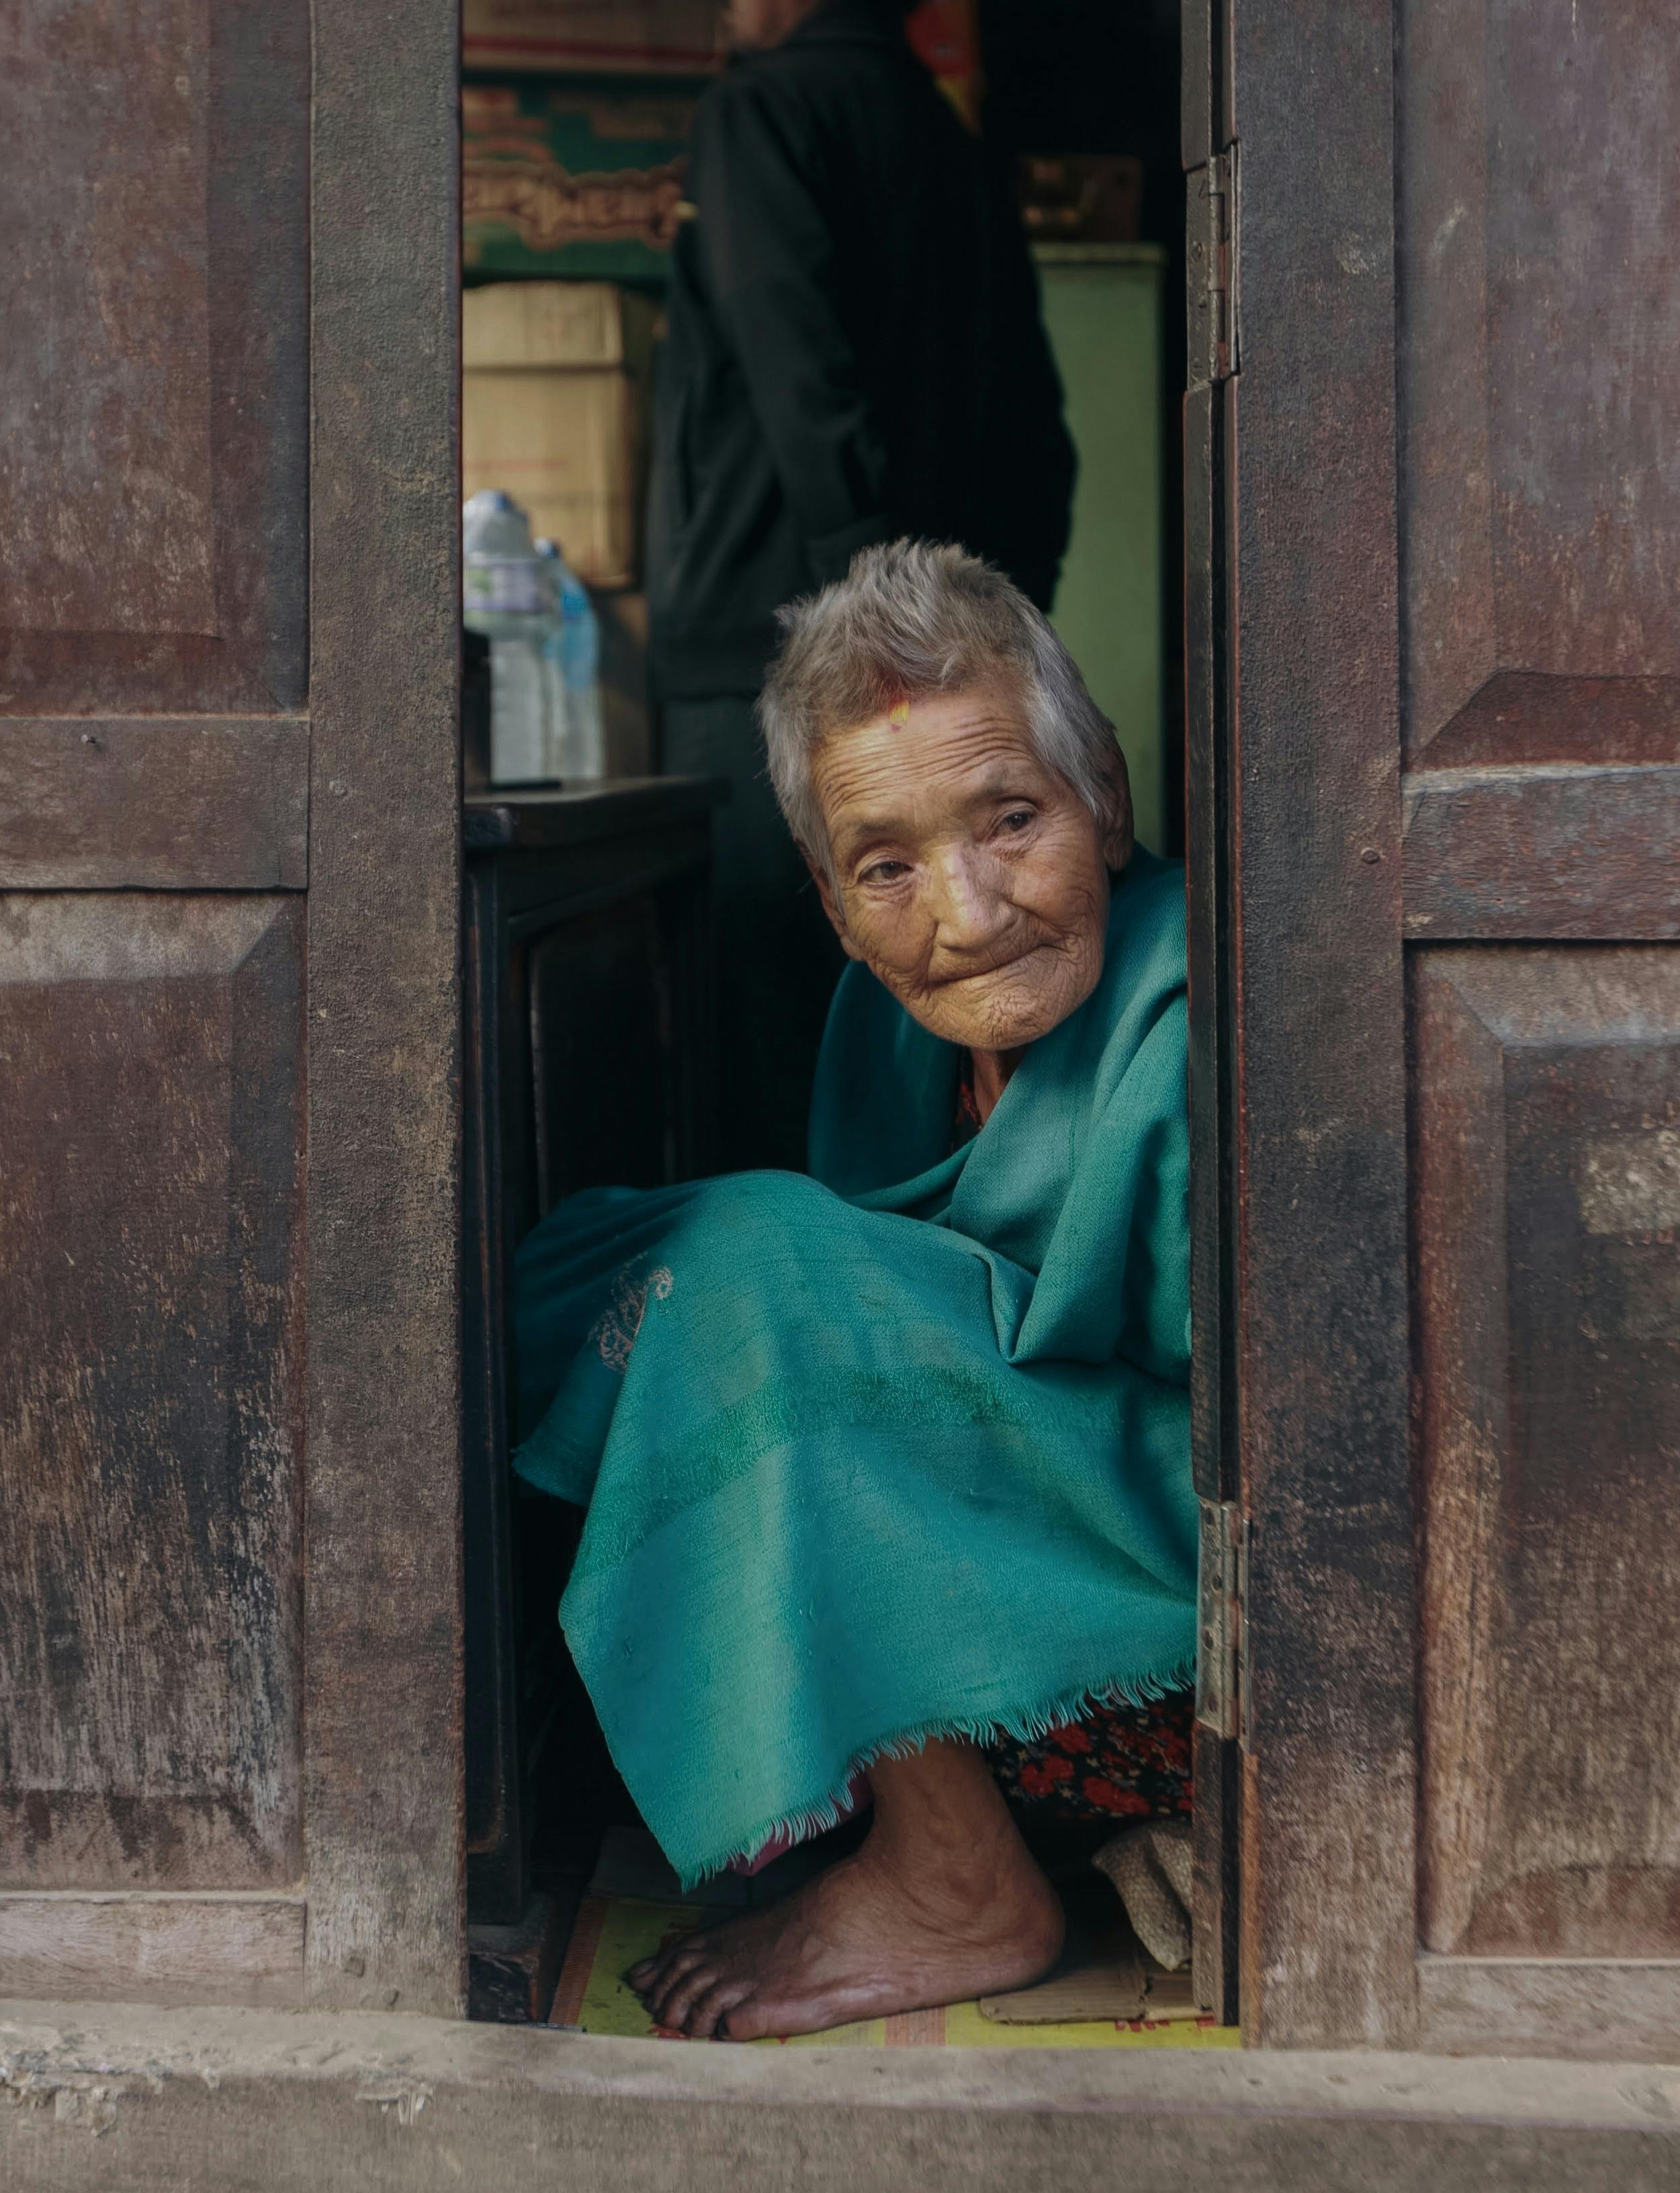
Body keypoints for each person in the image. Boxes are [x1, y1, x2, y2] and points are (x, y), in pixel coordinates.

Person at [515, 542, 1196, 2040]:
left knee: (756, 1262)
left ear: (1108, 802)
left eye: (1010, 820)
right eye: (886, 865)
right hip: (1010, 1512)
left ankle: (960, 1875)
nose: (964, 911)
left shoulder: (1203, 1025)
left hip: (1168, 1632)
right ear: (831, 902)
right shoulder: (890, 1027)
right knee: (596, 1269)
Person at [647, 0, 1077, 1170]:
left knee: (783, 1051)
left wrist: (873, 639)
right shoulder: (954, 145)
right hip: (945, 686)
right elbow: (1046, 445)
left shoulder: (758, 115)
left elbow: (804, 386)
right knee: (929, 1034)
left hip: (774, 671)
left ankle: (805, 1325)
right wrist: (981, 646)